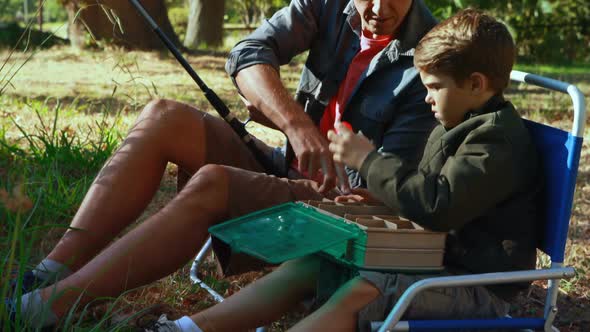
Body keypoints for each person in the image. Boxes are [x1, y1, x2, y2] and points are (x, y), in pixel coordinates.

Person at [5, 0, 439, 329]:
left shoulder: (433, 54)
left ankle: (52, 307)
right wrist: (294, 124)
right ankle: (48, 273)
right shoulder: (323, 6)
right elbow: (248, 53)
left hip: (340, 201)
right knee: (163, 116)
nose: (378, 10)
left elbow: (379, 189)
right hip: (287, 166)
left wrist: (305, 139)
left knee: (214, 181)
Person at [142, 8, 540, 332]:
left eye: (434, 86)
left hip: (471, 286)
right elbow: (430, 194)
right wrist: (380, 197)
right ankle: (188, 328)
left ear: (475, 84)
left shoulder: (495, 141)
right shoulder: (457, 123)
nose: (426, 97)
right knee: (315, 262)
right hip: (431, 260)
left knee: (362, 291)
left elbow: (438, 204)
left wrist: (369, 160)